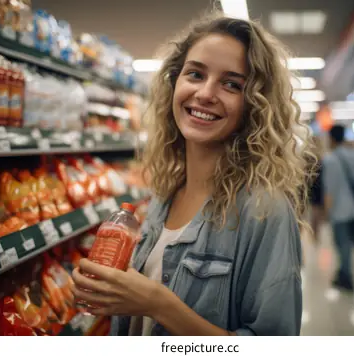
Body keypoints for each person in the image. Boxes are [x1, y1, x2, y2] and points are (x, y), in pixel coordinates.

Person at [71, 14, 316, 336]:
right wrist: (114, 290)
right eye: (195, 74)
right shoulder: (166, 192)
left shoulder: (264, 209)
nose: (205, 93)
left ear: (254, 103)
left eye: (232, 84)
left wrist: (159, 304)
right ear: (175, 82)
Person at [322, 124, 354, 292]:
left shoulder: (331, 159)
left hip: (339, 210)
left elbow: (329, 190)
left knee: (342, 244)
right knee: (349, 242)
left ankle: (346, 277)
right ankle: (344, 271)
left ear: (332, 138)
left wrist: (326, 213)